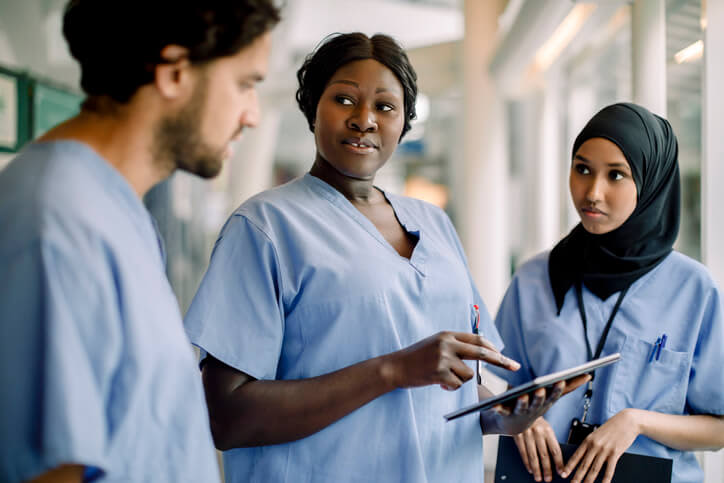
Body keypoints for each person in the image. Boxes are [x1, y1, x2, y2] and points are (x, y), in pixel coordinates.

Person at [183, 32, 586, 483]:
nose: (364, 120)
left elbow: (448, 387)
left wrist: (500, 416)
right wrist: (392, 370)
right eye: (344, 100)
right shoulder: (266, 228)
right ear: (313, 106)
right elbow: (228, 417)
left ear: (404, 121)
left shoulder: (434, 225)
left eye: (385, 107)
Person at [0, 1, 280, 482]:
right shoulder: (56, 221)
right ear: (174, 72)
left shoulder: (116, 209)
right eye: (244, 84)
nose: (251, 115)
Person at [490, 102, 724, 483]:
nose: (593, 192)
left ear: (650, 182)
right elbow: (501, 391)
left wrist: (638, 422)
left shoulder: (694, 289)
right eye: (582, 169)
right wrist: (519, 419)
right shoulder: (534, 278)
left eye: (616, 175)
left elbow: (719, 429)